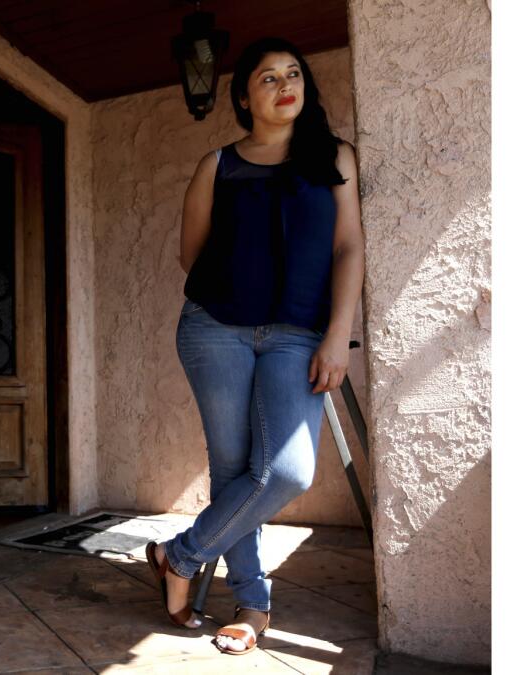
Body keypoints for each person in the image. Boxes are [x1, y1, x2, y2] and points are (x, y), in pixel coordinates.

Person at [144, 37, 365, 656]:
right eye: (267, 78)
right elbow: (192, 254)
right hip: (216, 329)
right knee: (234, 469)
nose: (284, 85)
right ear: (244, 97)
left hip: (299, 335)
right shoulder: (217, 164)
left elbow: (349, 249)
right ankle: (250, 604)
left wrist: (335, 337)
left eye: (293, 73)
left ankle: (177, 556)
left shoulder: (334, 158)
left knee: (288, 470)